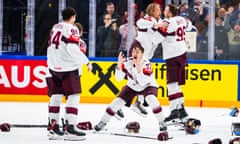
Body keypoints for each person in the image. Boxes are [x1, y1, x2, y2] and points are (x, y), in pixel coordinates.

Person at [94, 43, 167, 132]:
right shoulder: (127, 62)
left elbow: (143, 82)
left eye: (137, 52)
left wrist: (138, 69)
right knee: (116, 102)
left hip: (148, 86)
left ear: (142, 54)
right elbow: (118, 79)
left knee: (151, 99)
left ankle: (162, 122)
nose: (135, 54)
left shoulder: (146, 64)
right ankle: (102, 122)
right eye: (133, 51)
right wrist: (119, 66)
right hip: (132, 86)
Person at [46, 7, 92, 140]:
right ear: (73, 17)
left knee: (56, 95)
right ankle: (70, 127)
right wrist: (86, 62)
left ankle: (53, 127)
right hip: (68, 67)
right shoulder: (71, 28)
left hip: (54, 66)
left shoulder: (55, 27)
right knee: (74, 95)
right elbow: (72, 48)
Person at [126, 3, 168, 117]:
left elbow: (155, 40)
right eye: (157, 9)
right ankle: (124, 102)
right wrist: (155, 24)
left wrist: (160, 29)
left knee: (142, 78)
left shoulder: (160, 22)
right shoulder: (148, 19)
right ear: (152, 11)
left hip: (146, 54)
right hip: (137, 49)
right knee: (134, 76)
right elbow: (140, 23)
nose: (160, 10)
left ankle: (136, 102)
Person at [152, 4, 192, 123]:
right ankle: (181, 109)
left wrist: (155, 26)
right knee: (177, 84)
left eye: (165, 10)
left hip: (173, 55)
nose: (164, 12)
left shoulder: (167, 21)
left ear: (170, 13)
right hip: (182, 54)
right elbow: (190, 26)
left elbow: (156, 39)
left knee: (172, 84)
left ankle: (174, 111)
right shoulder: (182, 20)